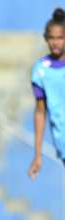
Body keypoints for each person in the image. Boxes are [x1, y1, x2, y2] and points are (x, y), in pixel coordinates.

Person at [28, 8, 65, 179]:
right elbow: (40, 112)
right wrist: (37, 154)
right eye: (52, 38)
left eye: (60, 38)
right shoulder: (40, 70)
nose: (55, 42)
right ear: (46, 39)